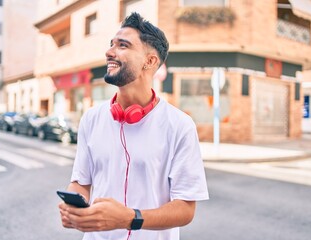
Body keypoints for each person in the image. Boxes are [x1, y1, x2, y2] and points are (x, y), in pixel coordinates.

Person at [59, 12, 209, 240]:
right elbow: (81, 182)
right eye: (112, 44)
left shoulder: (180, 125)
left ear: (150, 61)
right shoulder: (90, 119)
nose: (110, 52)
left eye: (123, 45)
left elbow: (186, 209)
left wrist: (130, 218)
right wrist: (74, 208)